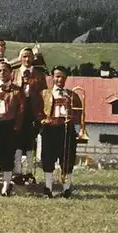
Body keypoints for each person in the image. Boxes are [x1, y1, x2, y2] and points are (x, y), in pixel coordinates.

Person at [40, 66, 82, 199]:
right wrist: (42, 121)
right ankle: (48, 189)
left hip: (66, 129)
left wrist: (72, 117)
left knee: (67, 159)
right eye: (57, 76)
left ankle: (67, 189)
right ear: (52, 77)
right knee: (48, 159)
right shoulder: (44, 94)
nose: (60, 79)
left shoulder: (72, 94)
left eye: (63, 77)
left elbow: (79, 112)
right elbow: (38, 111)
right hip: (50, 129)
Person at [0, 62, 24, 196]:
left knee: (8, 157)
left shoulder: (17, 91)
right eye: (0, 71)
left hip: (9, 125)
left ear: (10, 73)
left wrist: (16, 126)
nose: (2, 73)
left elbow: (21, 110)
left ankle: (6, 187)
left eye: (5, 70)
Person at [12, 47, 47, 184]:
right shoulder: (14, 74)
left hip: (33, 111)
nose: (27, 59)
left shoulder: (39, 75)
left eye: (29, 57)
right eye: (24, 57)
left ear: (33, 59)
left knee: (31, 143)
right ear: (20, 58)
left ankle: (29, 172)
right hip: (17, 112)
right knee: (17, 143)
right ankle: (17, 172)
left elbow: (44, 95)